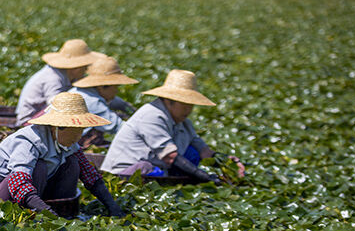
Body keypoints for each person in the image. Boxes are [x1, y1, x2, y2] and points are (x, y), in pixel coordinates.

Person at [0, 92, 124, 217]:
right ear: (56, 128)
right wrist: (48, 214)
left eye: (81, 130)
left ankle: (63, 211)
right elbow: (19, 183)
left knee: (73, 163)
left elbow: (89, 174)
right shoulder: (28, 141)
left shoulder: (68, 143)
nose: (78, 136)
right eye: (74, 130)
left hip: (34, 192)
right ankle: (34, 212)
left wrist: (112, 206)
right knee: (39, 167)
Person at [101, 69, 246, 182]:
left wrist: (228, 162)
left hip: (155, 168)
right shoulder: (152, 115)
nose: (189, 110)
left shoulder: (183, 122)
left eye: (191, 105)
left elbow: (203, 151)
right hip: (124, 173)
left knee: (192, 152)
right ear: (169, 101)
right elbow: (170, 156)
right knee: (152, 169)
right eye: (185, 104)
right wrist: (205, 177)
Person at [15, 39, 104, 126]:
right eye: (85, 67)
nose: (86, 70)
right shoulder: (53, 78)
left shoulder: (70, 76)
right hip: (30, 121)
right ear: (77, 68)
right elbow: (55, 104)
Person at [69, 55, 139, 147]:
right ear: (102, 86)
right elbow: (118, 127)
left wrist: (133, 111)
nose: (116, 91)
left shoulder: (85, 92)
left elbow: (118, 102)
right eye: (115, 86)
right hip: (70, 146)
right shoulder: (93, 102)